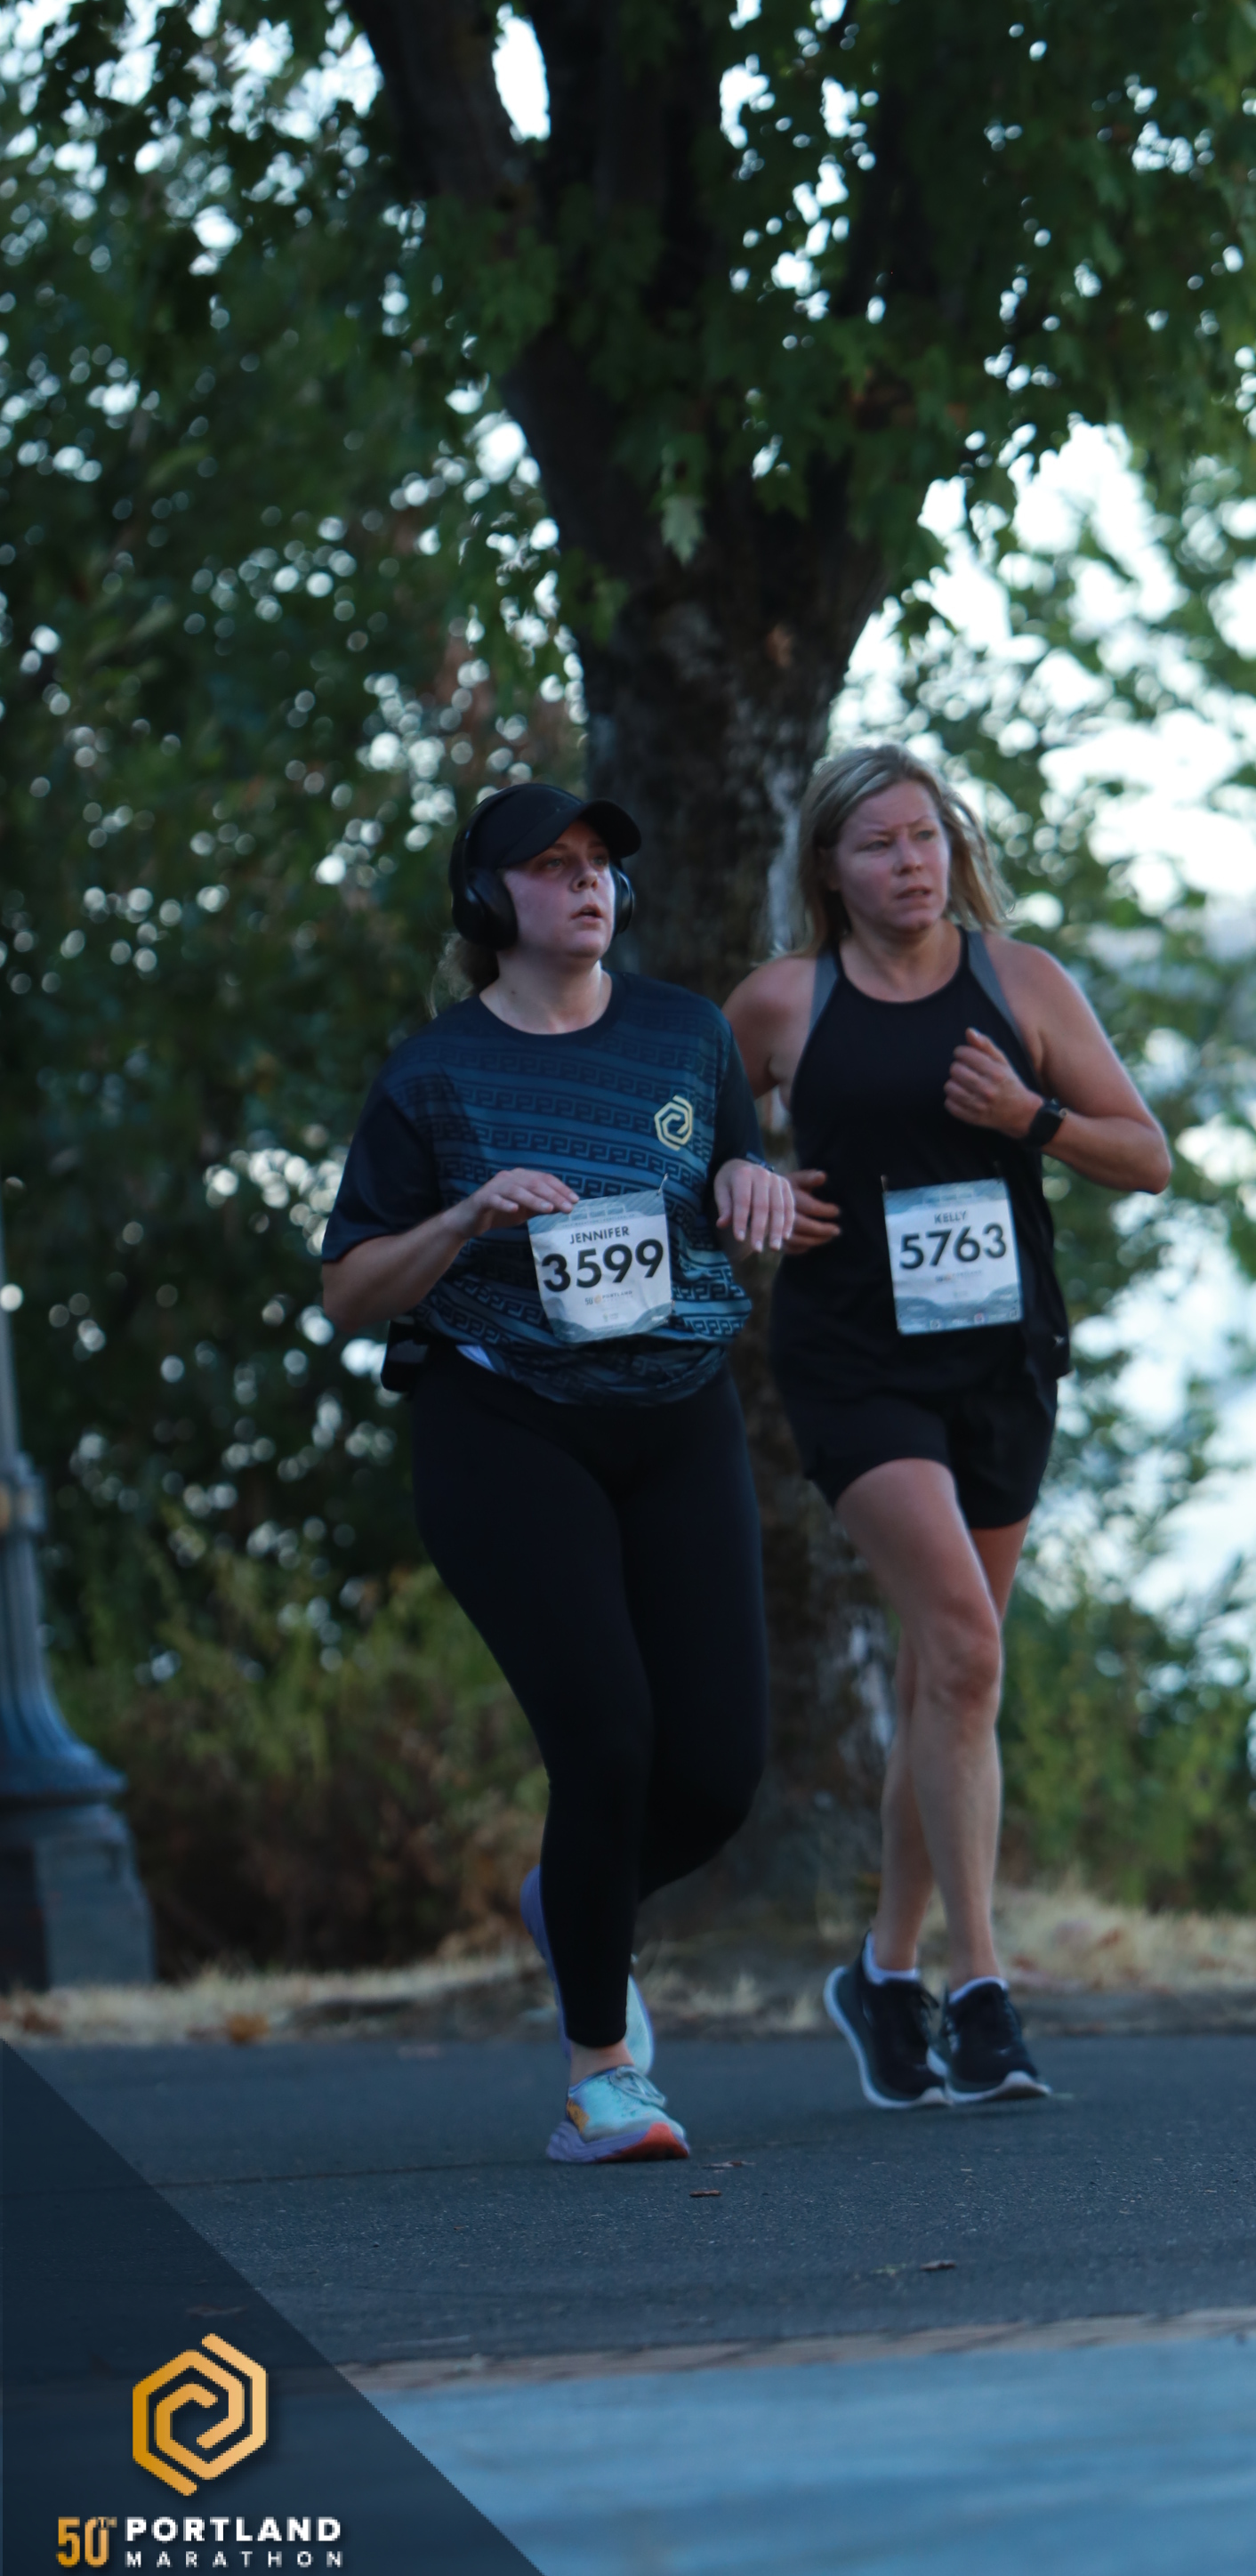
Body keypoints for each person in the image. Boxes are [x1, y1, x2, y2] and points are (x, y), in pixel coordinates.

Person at [321, 783, 793, 2165]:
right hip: (506, 1426)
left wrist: (754, 1188)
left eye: (599, 865)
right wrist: (467, 1216)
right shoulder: (434, 1074)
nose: (588, 885)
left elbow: (734, 1177)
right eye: (552, 866)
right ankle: (601, 2078)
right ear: (489, 900)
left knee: (716, 1774)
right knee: (606, 1741)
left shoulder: (686, 1034)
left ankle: (571, 1903)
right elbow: (350, 1291)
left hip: (678, 1414)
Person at [724, 746, 1170, 2107]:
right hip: (856, 1365)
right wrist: (749, 1187)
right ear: (829, 868)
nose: (910, 863)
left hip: (1001, 1365)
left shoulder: (1020, 982)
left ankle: (884, 1970)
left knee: (945, 1675)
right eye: (879, 845)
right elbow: (690, 1157)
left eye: (925, 837)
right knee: (969, 1647)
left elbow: (1145, 1154)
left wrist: (1031, 1116)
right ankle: (981, 1992)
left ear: (952, 847)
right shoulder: (783, 1001)